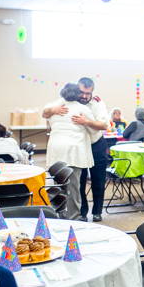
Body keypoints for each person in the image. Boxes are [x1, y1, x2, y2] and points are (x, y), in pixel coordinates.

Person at [42, 83, 97, 220]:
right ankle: (73, 218)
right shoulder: (82, 109)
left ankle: (60, 215)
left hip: (55, 151)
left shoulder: (54, 106)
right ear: (78, 94)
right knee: (73, 187)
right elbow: (94, 130)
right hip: (74, 152)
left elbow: (45, 114)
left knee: (59, 185)